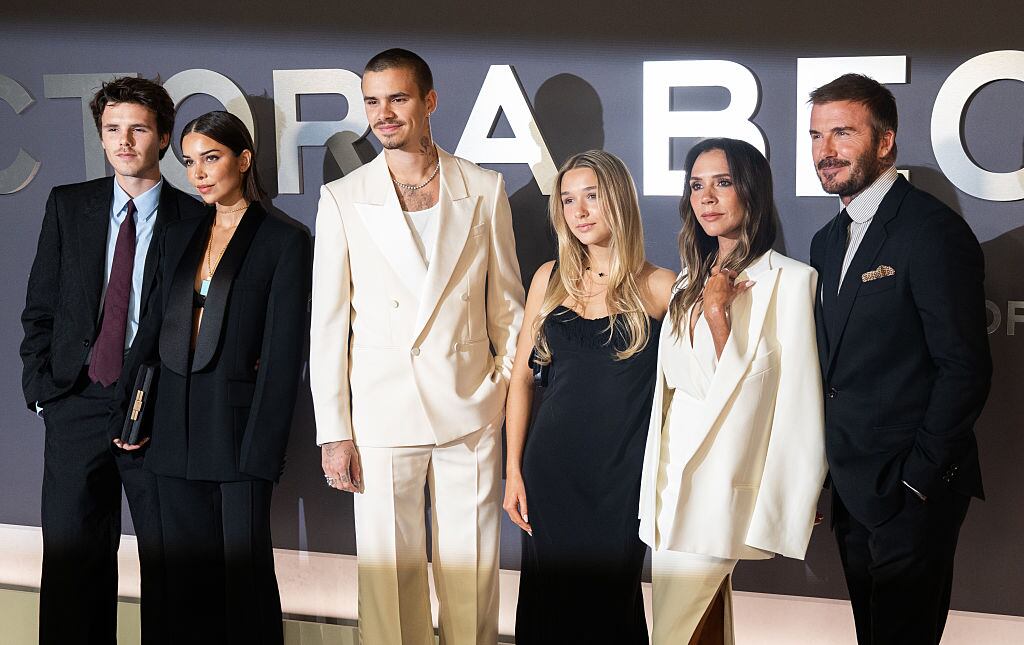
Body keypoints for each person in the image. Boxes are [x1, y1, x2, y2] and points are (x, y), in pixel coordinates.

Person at [311, 48, 524, 645]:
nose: (383, 114)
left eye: (397, 98)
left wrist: (498, 392)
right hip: (382, 416)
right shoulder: (344, 199)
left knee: (472, 579)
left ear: (429, 101)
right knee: (388, 586)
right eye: (372, 101)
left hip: (470, 411)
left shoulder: (484, 187)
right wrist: (335, 432)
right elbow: (327, 326)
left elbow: (507, 308)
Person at [19, 76, 205, 645]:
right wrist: (44, 391)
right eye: (112, 129)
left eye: (139, 129)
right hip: (74, 403)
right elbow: (41, 308)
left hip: (153, 411)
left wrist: (165, 404)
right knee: (73, 567)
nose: (124, 141)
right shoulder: (68, 205)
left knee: (169, 566)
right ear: (101, 137)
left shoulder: (195, 220)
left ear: (165, 138)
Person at [114, 110, 311, 644]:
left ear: (243, 160)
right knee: (182, 586)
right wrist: (130, 415)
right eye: (189, 161)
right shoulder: (177, 234)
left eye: (212, 158)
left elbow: (283, 355)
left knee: (243, 585)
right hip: (171, 434)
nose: (198, 173)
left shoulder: (283, 241)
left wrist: (263, 451)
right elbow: (150, 332)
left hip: (237, 439)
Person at [807, 74, 991, 645]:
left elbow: (965, 369)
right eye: (816, 135)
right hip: (852, 488)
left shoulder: (932, 232)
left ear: (885, 142)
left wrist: (917, 482)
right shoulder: (825, 240)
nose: (825, 151)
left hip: (912, 493)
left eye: (842, 133)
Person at [638, 138, 828, 644]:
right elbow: (675, 390)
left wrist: (721, 314)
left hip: (727, 486)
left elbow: (791, 400)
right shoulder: (683, 285)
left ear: (751, 191)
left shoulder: (791, 281)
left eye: (722, 183)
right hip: (671, 485)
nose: (707, 197)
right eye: (697, 186)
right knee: (699, 623)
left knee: (673, 631)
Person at [503, 150, 674, 644]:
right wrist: (514, 470)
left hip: (619, 479)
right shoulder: (549, 278)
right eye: (568, 200)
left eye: (592, 197)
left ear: (618, 200)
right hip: (549, 470)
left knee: (609, 606)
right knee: (548, 606)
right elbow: (520, 381)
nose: (578, 211)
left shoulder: (662, 287)